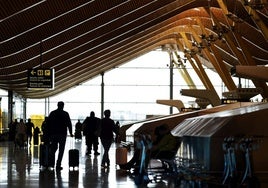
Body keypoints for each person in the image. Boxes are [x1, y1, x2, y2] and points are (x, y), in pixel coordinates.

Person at [47, 101, 73, 171]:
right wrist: (71, 133)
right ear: (63, 106)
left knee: (53, 149)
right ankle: (58, 165)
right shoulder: (65, 114)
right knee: (61, 150)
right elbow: (69, 124)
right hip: (62, 134)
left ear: (57, 105)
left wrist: (48, 134)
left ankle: (51, 164)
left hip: (53, 134)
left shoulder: (52, 113)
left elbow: (48, 124)